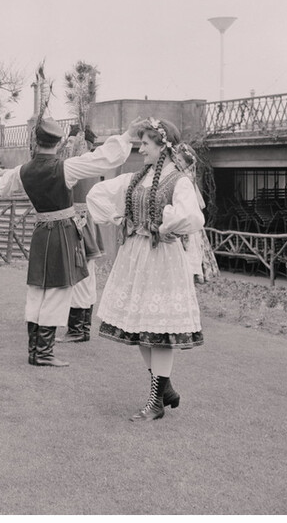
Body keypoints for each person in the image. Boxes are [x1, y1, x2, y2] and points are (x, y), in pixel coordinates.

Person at [87, 118, 205, 421]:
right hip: (136, 257)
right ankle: (163, 388)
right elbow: (96, 195)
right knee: (141, 329)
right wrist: (117, 218)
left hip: (163, 259)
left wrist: (168, 224)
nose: (141, 149)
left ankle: (156, 400)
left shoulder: (178, 180)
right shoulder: (136, 178)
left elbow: (192, 217)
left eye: (146, 144)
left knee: (159, 330)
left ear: (163, 146)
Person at [0, 118, 140, 367]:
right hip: (62, 232)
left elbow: (3, 187)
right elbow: (102, 159)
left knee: (37, 289)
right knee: (58, 290)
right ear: (60, 142)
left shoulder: (22, 170)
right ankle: (43, 353)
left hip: (41, 231)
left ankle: (35, 350)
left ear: (35, 141)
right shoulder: (65, 168)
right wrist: (126, 136)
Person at [56, 127, 108, 345]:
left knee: (79, 278)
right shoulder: (88, 163)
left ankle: (77, 329)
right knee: (86, 278)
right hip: (86, 224)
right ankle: (82, 328)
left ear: (83, 144)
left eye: (71, 142)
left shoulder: (81, 165)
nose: (67, 146)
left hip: (79, 224)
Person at [172, 143, 220, 284]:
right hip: (185, 219)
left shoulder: (185, 178)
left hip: (187, 221)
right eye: (176, 160)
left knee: (188, 252)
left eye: (179, 160)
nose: (177, 163)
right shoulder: (182, 176)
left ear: (187, 163)